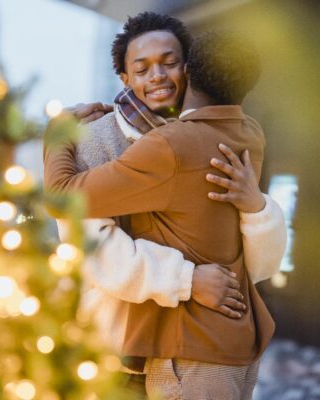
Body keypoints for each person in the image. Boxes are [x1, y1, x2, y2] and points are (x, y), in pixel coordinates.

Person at [45, 23, 278, 399]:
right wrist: (185, 279)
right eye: (142, 68)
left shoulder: (219, 135)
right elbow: (92, 247)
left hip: (188, 350)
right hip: (118, 349)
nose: (158, 77)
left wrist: (258, 208)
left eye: (169, 63)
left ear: (188, 68)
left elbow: (249, 254)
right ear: (124, 76)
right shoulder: (95, 142)